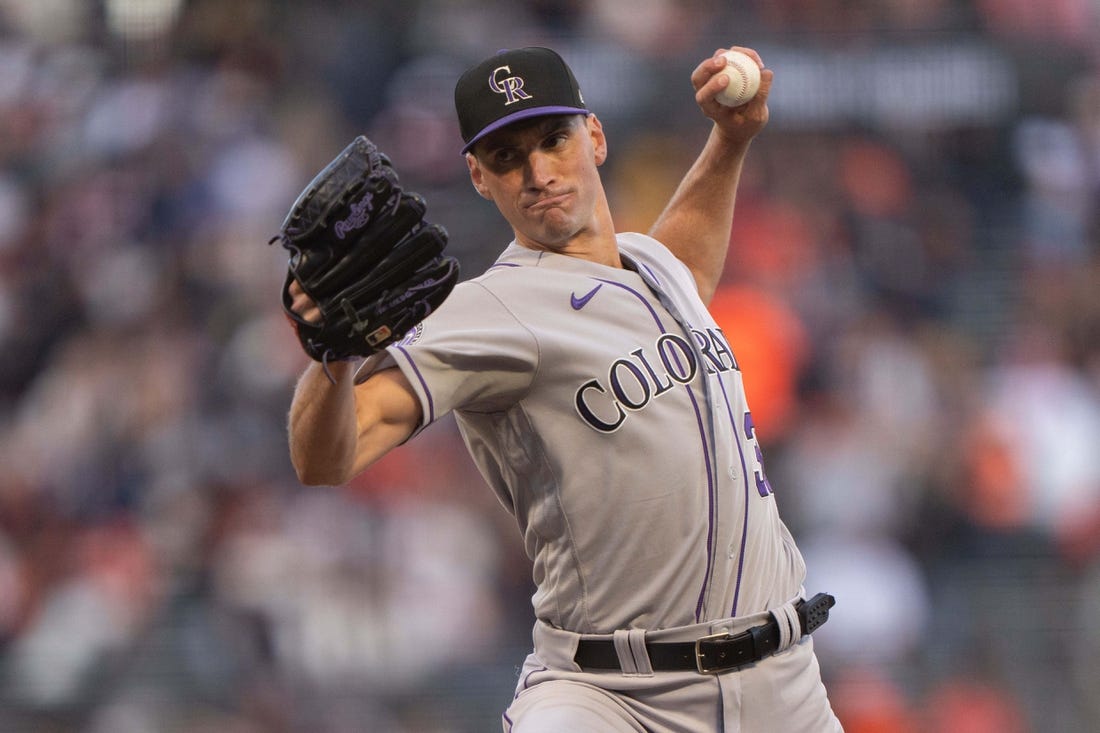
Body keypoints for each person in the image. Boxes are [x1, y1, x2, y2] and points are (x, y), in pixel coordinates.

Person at [286, 45, 842, 732]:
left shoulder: (654, 265)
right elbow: (326, 458)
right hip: (613, 695)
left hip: (782, 685)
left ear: (596, 137)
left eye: (554, 139)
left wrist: (730, 139)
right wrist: (333, 360)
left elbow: (686, 258)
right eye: (507, 156)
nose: (538, 171)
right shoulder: (487, 309)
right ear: (479, 177)